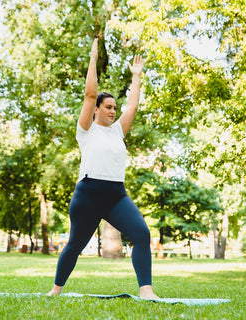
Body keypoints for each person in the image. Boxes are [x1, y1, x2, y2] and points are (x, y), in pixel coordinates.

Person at [47, 38, 159, 300]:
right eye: (107, 107)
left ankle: (147, 291)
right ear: (96, 110)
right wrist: (93, 59)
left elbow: (132, 106)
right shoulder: (86, 130)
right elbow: (88, 94)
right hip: (88, 195)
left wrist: (137, 76)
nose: (112, 111)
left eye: (113, 108)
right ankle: (55, 290)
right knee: (75, 244)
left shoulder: (118, 131)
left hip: (115, 196)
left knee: (141, 234)